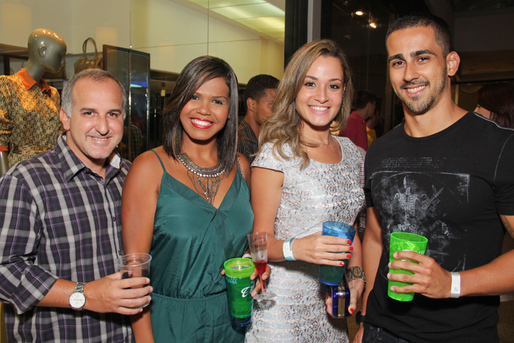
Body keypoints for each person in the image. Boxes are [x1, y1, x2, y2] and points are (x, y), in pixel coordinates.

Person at [357, 14, 514, 343]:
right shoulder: (380, 151)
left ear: (451, 63)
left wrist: (452, 284)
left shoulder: (500, 147)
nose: (410, 74)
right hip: (382, 332)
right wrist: (366, 320)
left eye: (422, 58)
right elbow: (374, 237)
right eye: (398, 62)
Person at [0, 68, 152, 342]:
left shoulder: (133, 177)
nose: (103, 127)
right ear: (65, 118)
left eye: (113, 114)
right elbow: (5, 270)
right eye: (89, 113)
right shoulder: (26, 180)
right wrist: (85, 295)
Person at [122, 56, 265, 343]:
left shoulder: (242, 167)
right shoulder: (148, 168)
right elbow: (134, 273)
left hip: (235, 323)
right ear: (178, 102)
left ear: (230, 110)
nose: (204, 109)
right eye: (194, 96)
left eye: (218, 101)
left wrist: (253, 266)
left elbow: (247, 242)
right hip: (172, 324)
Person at [245, 39, 366, 343]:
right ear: (294, 89)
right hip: (282, 311)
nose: (322, 96)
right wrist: (296, 247)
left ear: (344, 92)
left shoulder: (354, 154)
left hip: (330, 305)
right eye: (310, 83)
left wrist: (356, 277)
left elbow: (351, 228)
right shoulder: (276, 155)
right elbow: (259, 243)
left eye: (333, 86)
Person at [0, 29, 67, 172]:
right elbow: (1, 140)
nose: (62, 62)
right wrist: (4, 181)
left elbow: (60, 135)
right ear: (42, 51)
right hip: (21, 168)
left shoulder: (52, 93)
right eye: (59, 55)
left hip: (52, 166)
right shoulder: (8, 86)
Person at [237, 74, 279, 163]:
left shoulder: (272, 138)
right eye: (272, 104)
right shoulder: (239, 143)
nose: (278, 111)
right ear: (251, 104)